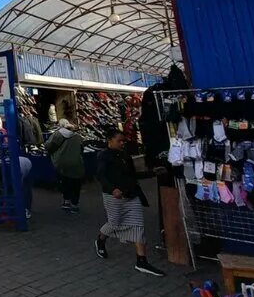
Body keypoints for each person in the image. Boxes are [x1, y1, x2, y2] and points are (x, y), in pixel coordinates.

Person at [95, 128, 165, 276]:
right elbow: (101, 175)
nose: (122, 143)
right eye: (119, 141)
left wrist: (152, 173)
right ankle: (101, 239)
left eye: (123, 141)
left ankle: (141, 260)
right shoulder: (104, 156)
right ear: (110, 140)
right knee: (114, 223)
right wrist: (113, 189)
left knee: (138, 225)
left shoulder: (125, 155)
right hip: (113, 196)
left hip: (131, 194)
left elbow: (132, 175)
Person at [45, 118, 85, 214]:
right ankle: (74, 204)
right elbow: (81, 149)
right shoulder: (78, 136)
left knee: (65, 182)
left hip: (62, 162)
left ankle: (66, 201)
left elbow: (49, 146)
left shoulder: (57, 134)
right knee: (76, 183)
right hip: (76, 162)